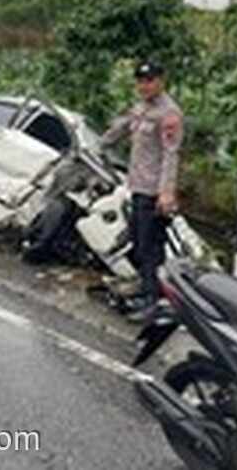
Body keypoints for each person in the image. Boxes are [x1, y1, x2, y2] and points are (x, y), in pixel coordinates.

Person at [99, 60, 185, 318]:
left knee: (151, 248)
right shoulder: (141, 108)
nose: (144, 86)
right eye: (140, 81)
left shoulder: (169, 114)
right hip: (137, 186)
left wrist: (166, 192)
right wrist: (99, 143)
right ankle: (145, 288)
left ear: (161, 80)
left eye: (149, 80)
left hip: (154, 191)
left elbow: (171, 154)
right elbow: (120, 129)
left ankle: (154, 301)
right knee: (137, 243)